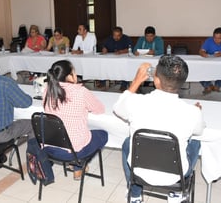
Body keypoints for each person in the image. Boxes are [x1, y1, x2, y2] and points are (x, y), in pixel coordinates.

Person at [113, 55, 205, 203]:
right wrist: (196, 112)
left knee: (127, 143)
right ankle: (177, 191)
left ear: (155, 80)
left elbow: (118, 108)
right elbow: (199, 131)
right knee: (196, 142)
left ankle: (135, 193)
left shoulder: (136, 102)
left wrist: (136, 81)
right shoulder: (192, 112)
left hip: (139, 170)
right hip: (175, 174)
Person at [43, 60, 108, 180]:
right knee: (103, 135)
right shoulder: (81, 92)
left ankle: (76, 164)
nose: (76, 75)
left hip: (51, 147)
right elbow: (100, 109)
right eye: (74, 72)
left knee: (73, 135)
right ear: (69, 76)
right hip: (73, 150)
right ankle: (79, 164)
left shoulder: (48, 89)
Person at [100, 26, 133, 91]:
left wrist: (121, 51)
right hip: (111, 60)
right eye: (114, 35)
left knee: (125, 68)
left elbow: (130, 49)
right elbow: (104, 46)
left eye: (118, 36)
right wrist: (104, 49)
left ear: (122, 34)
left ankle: (124, 84)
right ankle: (103, 82)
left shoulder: (126, 38)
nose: (116, 37)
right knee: (103, 64)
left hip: (123, 60)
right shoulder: (109, 39)